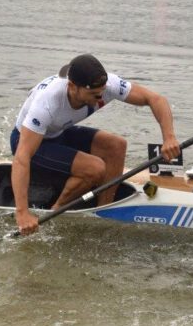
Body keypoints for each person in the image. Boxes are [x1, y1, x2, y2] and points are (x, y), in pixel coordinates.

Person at [11, 53, 180, 235]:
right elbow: (22, 158)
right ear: (72, 87)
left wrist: (169, 137)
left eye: (102, 92)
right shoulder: (46, 102)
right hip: (28, 142)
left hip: (58, 132)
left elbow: (156, 99)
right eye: (93, 94)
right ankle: (55, 213)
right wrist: (22, 213)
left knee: (117, 145)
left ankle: (104, 211)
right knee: (95, 168)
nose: (100, 98)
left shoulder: (107, 85)